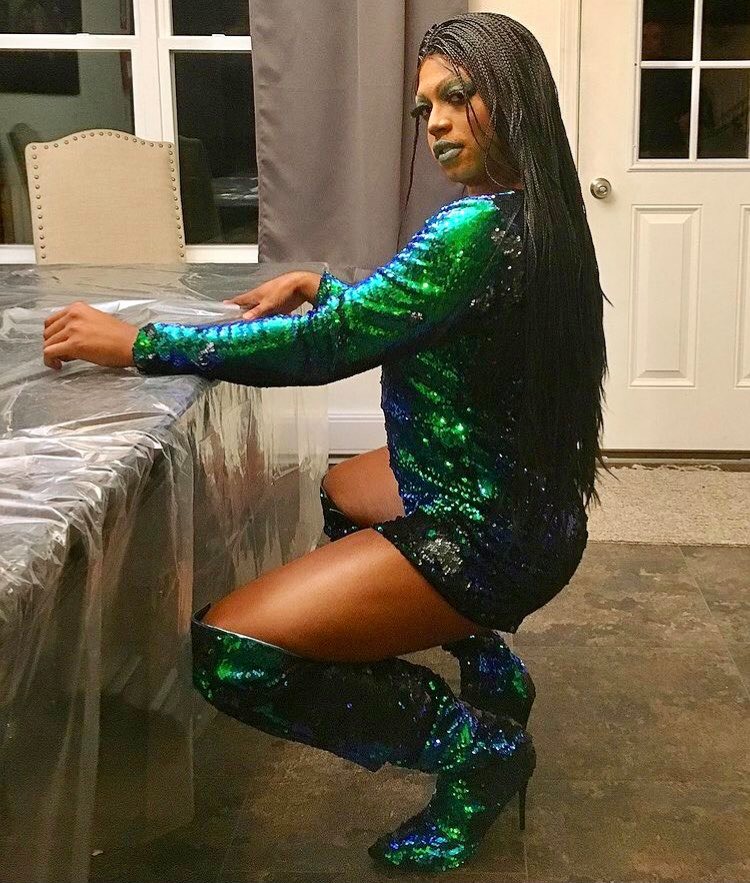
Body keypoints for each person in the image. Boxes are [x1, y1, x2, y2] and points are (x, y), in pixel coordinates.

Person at [40, 12, 610, 874]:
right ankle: (486, 658)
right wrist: (326, 285)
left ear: (514, 95)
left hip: (486, 537)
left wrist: (142, 344)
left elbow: (324, 350)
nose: (436, 123)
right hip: (531, 509)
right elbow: (408, 313)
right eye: (424, 108)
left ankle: (475, 749)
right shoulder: (539, 214)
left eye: (457, 96)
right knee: (343, 492)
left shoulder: (473, 230)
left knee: (228, 654)